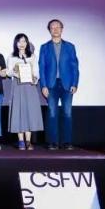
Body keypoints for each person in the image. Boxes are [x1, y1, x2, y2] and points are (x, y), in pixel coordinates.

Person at [39, 18, 80, 150]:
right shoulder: (44, 47)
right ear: (49, 30)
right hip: (51, 85)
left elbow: (75, 67)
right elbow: (42, 68)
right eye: (53, 27)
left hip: (67, 85)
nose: (55, 29)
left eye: (58, 27)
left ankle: (67, 142)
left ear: (62, 29)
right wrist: (43, 85)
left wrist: (75, 83)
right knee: (52, 113)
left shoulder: (70, 47)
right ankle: (53, 142)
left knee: (67, 113)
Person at [7, 33, 43, 150]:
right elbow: (8, 72)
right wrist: (14, 71)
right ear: (16, 43)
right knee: (18, 112)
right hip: (18, 86)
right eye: (19, 41)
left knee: (29, 112)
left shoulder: (32, 56)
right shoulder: (12, 57)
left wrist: (35, 79)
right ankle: (21, 141)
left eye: (24, 41)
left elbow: (36, 72)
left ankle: (28, 141)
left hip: (30, 86)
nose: (21, 44)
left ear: (27, 43)